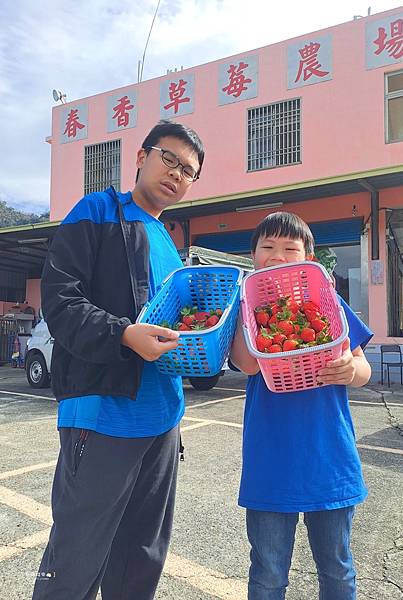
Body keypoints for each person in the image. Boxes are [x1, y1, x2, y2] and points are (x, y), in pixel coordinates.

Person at [32, 120, 205, 600]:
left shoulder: (170, 243)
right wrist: (124, 335)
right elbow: (60, 301)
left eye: (188, 170)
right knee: (75, 562)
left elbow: (181, 326)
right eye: (169, 158)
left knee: (140, 561)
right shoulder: (98, 212)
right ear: (141, 157)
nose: (176, 173)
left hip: (163, 422)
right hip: (102, 415)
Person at [230, 212, 373, 600]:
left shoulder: (329, 303)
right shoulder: (243, 310)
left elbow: (364, 368)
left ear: (308, 257)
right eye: (268, 248)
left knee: (337, 569)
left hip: (329, 458)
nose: (278, 256)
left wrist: (350, 368)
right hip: (270, 461)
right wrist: (250, 304)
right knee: (268, 573)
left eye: (290, 249)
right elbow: (246, 363)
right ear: (253, 256)